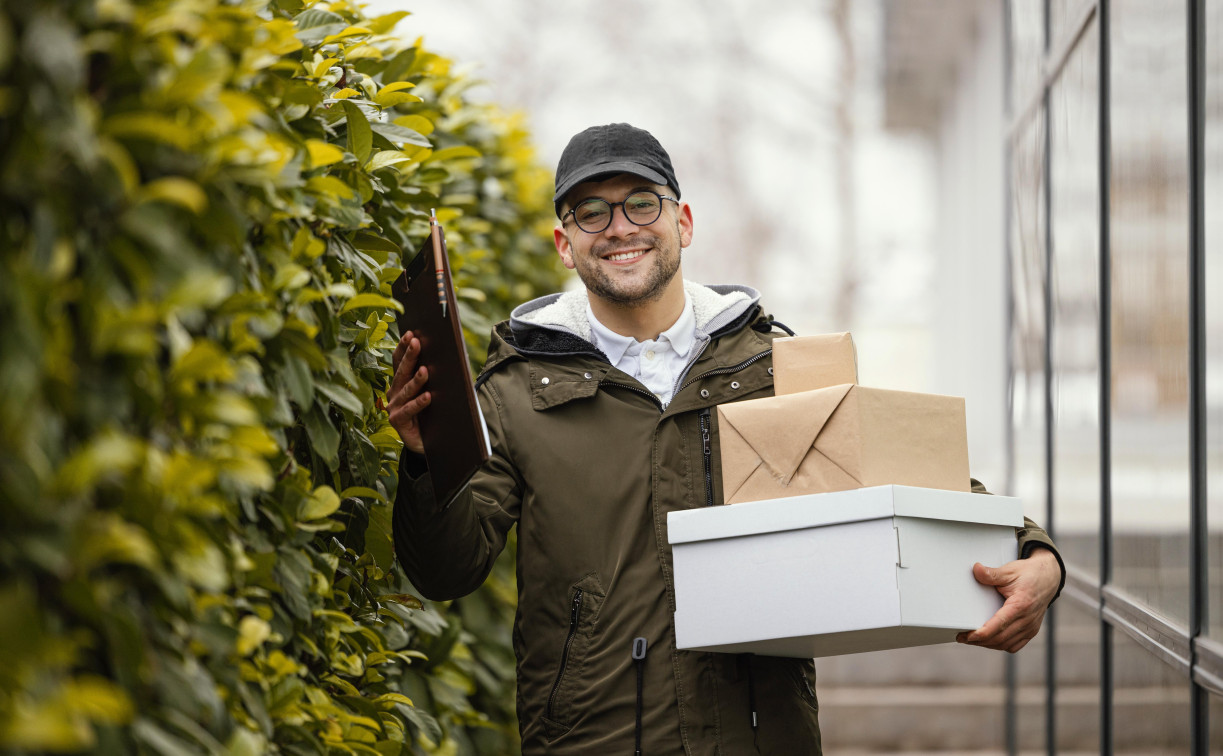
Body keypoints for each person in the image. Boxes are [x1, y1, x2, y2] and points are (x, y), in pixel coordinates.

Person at [386, 123, 1065, 755]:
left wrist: (1034, 553)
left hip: (760, 735)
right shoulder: (512, 390)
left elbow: (906, 476)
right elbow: (447, 570)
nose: (619, 227)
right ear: (565, 243)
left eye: (641, 204)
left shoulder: (773, 365)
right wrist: (423, 459)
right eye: (590, 211)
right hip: (592, 738)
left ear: (681, 223)